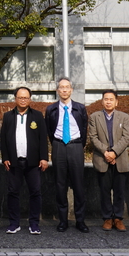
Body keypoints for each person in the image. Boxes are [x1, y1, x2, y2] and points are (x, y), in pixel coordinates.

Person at [0, 86, 48, 235]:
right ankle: (14, 223)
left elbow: (42, 139)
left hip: (33, 162)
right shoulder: (8, 116)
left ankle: (34, 224)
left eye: (26, 97)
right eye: (20, 97)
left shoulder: (38, 116)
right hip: (14, 161)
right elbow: (3, 139)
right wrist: (5, 157)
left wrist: (44, 158)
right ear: (15, 99)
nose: (23, 100)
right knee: (13, 192)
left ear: (30, 99)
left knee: (35, 192)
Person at [44, 76, 89, 233]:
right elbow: (49, 130)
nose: (64, 90)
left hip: (76, 146)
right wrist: (57, 143)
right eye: (61, 87)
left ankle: (80, 220)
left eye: (67, 87)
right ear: (57, 90)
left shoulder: (80, 108)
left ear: (71, 89)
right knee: (60, 185)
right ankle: (63, 220)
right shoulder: (51, 109)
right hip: (58, 147)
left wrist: (78, 145)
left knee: (78, 185)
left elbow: (84, 130)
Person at [87, 89, 129, 232]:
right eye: (106, 99)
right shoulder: (95, 117)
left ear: (116, 102)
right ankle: (107, 218)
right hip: (102, 159)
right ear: (102, 101)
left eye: (111, 99)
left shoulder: (124, 117)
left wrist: (114, 153)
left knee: (119, 191)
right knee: (104, 191)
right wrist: (106, 152)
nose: (108, 101)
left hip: (120, 159)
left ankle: (118, 218)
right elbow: (93, 137)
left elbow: (126, 138)